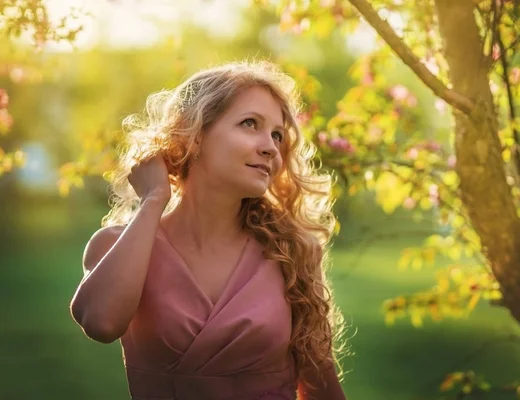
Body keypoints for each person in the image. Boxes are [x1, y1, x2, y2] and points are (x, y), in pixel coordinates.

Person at [69, 60, 347, 400]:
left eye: (277, 134)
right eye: (250, 124)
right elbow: (101, 323)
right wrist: (154, 199)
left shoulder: (293, 252)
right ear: (194, 135)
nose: (271, 147)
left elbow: (321, 385)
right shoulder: (116, 246)